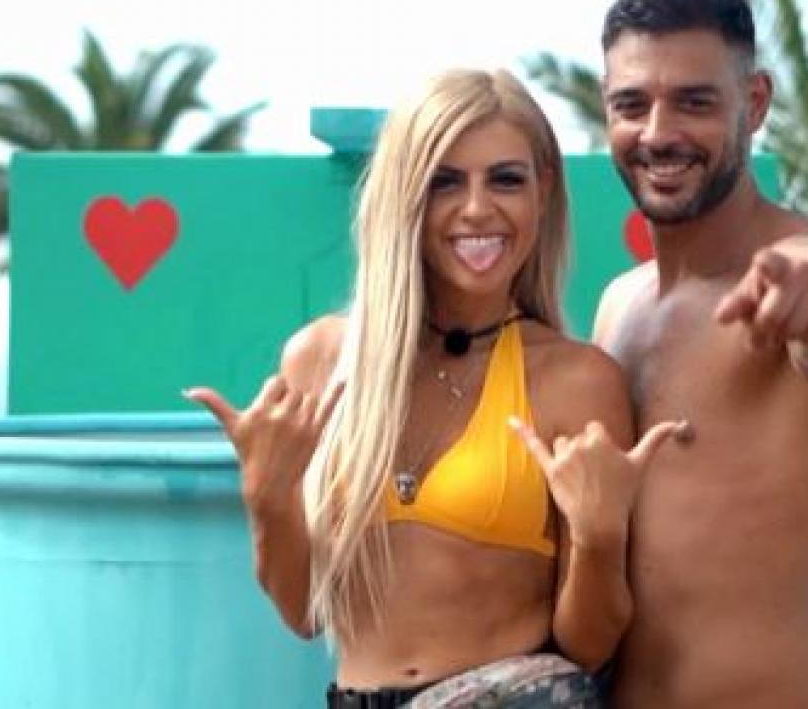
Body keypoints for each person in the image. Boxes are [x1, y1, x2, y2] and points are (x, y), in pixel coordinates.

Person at [187, 69, 682, 708]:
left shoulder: (577, 381)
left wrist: (598, 536)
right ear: (405, 196)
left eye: (505, 179)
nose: (477, 208)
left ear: (543, 191)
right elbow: (302, 612)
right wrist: (267, 497)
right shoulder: (322, 360)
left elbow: (588, 645)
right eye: (445, 181)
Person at [590, 0, 808, 708]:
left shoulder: (806, 266)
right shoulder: (618, 304)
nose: (658, 133)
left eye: (694, 102)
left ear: (753, 104)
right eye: (632, 104)